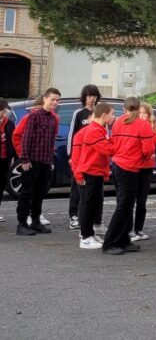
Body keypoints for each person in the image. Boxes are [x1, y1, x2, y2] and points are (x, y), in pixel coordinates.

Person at [102, 97, 155, 255]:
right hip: (130, 167)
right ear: (139, 109)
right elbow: (148, 149)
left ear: (124, 109)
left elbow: (113, 142)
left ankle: (123, 240)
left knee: (125, 205)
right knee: (124, 206)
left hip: (118, 165)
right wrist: (144, 158)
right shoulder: (143, 125)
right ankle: (110, 242)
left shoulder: (118, 122)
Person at [15, 87, 60, 236]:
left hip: (45, 161)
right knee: (26, 192)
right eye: (52, 99)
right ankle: (22, 224)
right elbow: (26, 137)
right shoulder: (34, 116)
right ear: (45, 99)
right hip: (32, 160)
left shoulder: (54, 119)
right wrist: (25, 158)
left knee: (39, 193)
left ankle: (35, 221)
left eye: (57, 100)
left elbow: (52, 141)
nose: (55, 102)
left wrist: (50, 160)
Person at [73, 102, 116, 251]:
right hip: (90, 171)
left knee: (93, 203)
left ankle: (90, 234)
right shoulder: (94, 130)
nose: (114, 117)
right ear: (104, 115)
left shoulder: (99, 129)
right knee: (88, 204)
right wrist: (121, 144)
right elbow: (107, 149)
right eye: (112, 114)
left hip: (96, 171)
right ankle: (85, 237)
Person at [67, 84, 100, 231]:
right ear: (84, 97)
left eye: (93, 96)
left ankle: (93, 218)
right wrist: (70, 155)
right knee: (77, 187)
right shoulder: (79, 113)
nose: (91, 99)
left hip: (94, 157)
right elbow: (72, 135)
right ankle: (74, 216)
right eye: (89, 96)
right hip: (79, 156)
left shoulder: (99, 112)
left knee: (93, 191)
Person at [131, 102, 156, 242]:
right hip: (134, 166)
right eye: (140, 113)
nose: (142, 116)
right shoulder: (133, 125)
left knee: (142, 200)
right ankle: (129, 229)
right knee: (129, 199)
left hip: (147, 166)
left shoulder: (155, 126)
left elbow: (154, 142)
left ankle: (139, 228)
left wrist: (147, 129)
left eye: (145, 113)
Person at [0, 98, 15, 224]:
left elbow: (12, 140)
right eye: (2, 111)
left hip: (5, 159)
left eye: (5, 111)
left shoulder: (9, 123)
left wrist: (12, 157)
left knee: (1, 185)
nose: (4, 114)